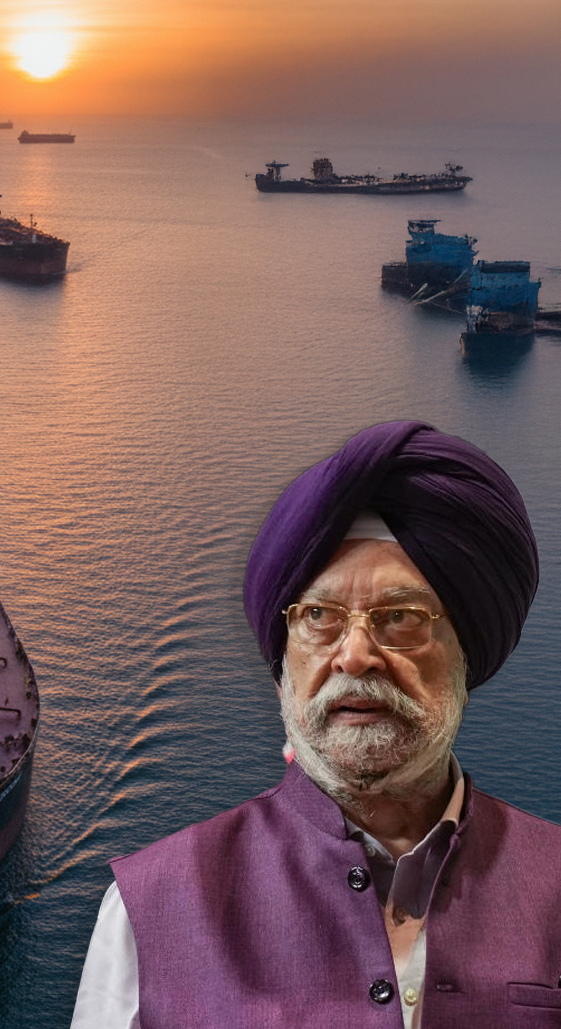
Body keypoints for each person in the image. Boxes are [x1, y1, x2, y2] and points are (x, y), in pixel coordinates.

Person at [71, 421, 561, 1028]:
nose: (354, 656)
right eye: (320, 616)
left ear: (469, 655)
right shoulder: (146, 912)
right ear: (282, 667)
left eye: (402, 616)